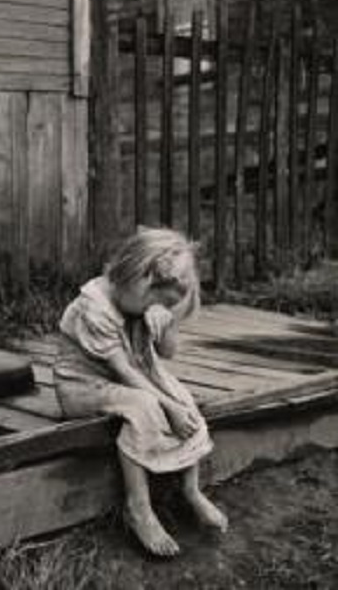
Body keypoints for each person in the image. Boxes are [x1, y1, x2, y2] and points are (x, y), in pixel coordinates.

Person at [53, 227, 228, 557]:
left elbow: (168, 353)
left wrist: (168, 321)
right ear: (140, 278)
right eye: (159, 300)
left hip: (130, 379)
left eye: (167, 304)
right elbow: (124, 371)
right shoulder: (95, 307)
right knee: (146, 405)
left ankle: (191, 490)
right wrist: (167, 408)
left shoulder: (139, 301)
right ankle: (139, 507)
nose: (158, 307)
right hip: (83, 386)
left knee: (182, 398)